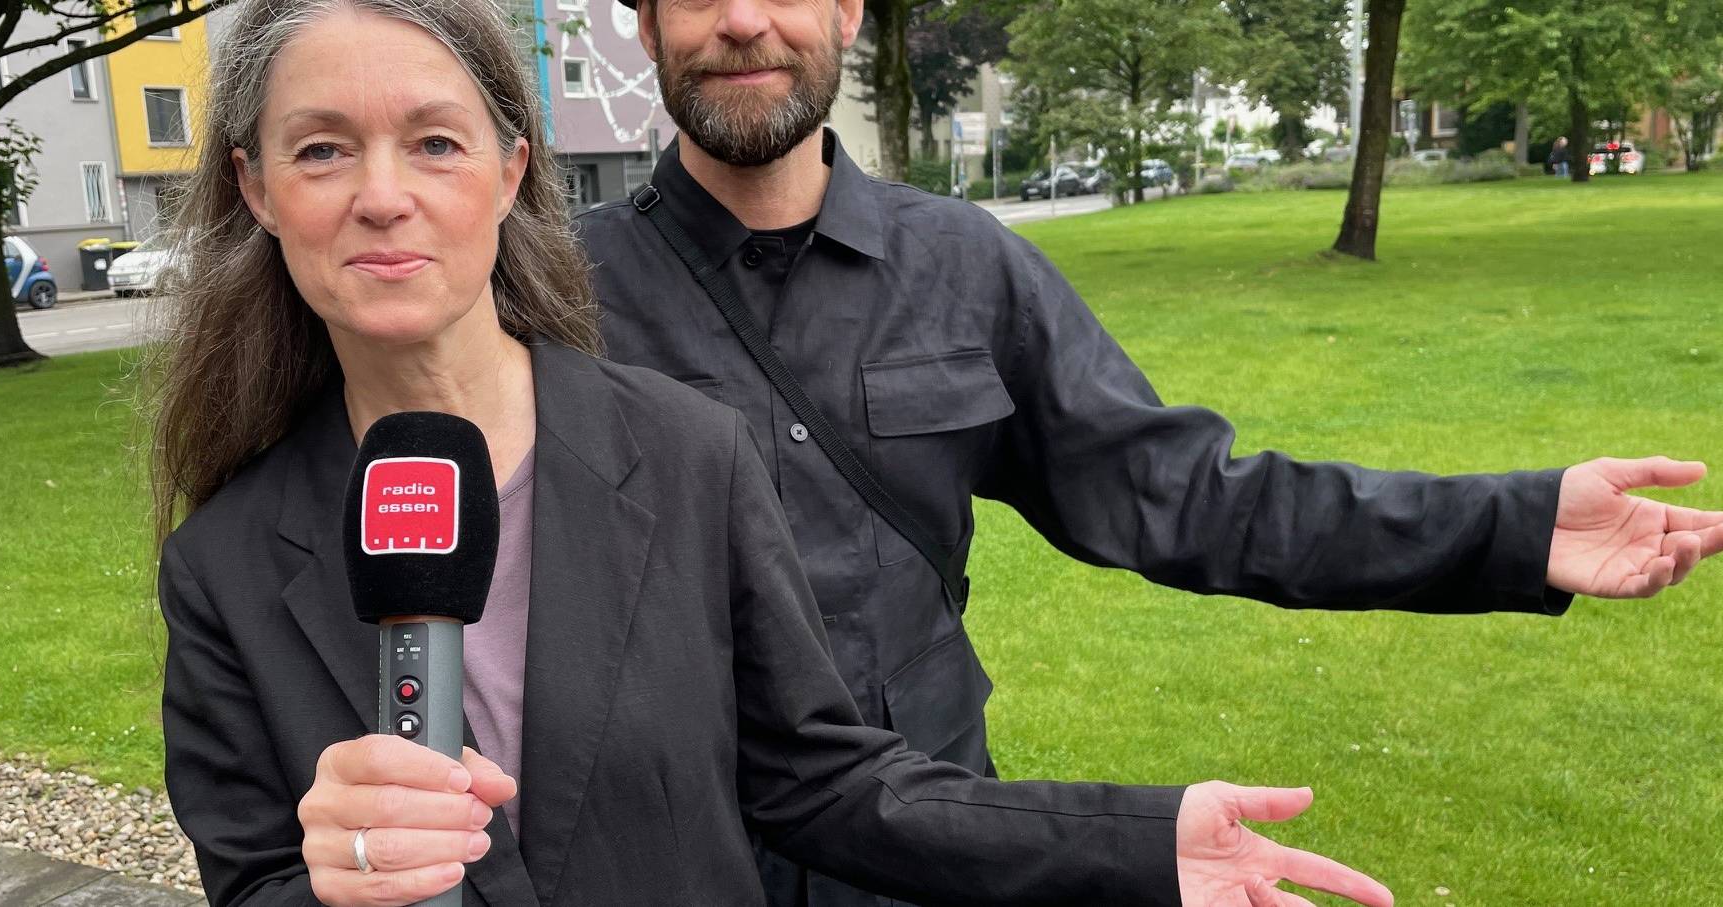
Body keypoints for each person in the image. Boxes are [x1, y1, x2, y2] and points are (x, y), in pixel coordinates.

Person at [150, 1, 1405, 905]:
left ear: (510, 171)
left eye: (435, 141)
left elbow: (823, 781)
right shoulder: (222, 566)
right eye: (322, 149)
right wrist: (335, 879)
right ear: (258, 190)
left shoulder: (684, 450)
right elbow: (250, 878)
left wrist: (1128, 845)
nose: (381, 194)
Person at [575, 0, 1723, 904]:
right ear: (644, 24)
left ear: (847, 12)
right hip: (662, 856)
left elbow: (1189, 496)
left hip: (934, 851)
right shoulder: (554, 299)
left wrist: (1512, 526)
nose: (742, 20)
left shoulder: (963, 269)